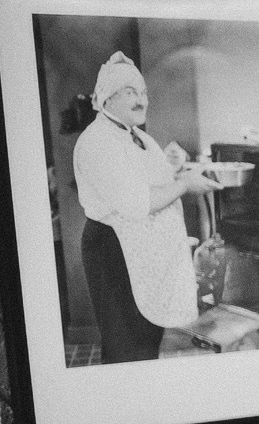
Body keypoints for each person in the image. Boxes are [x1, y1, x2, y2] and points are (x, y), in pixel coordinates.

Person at [71, 52, 217, 364]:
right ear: (107, 99)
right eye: (130, 92)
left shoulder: (136, 135)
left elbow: (146, 182)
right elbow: (138, 203)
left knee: (145, 339)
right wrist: (185, 183)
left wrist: (171, 166)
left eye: (143, 92)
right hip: (113, 250)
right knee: (127, 345)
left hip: (140, 251)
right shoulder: (98, 141)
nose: (141, 100)